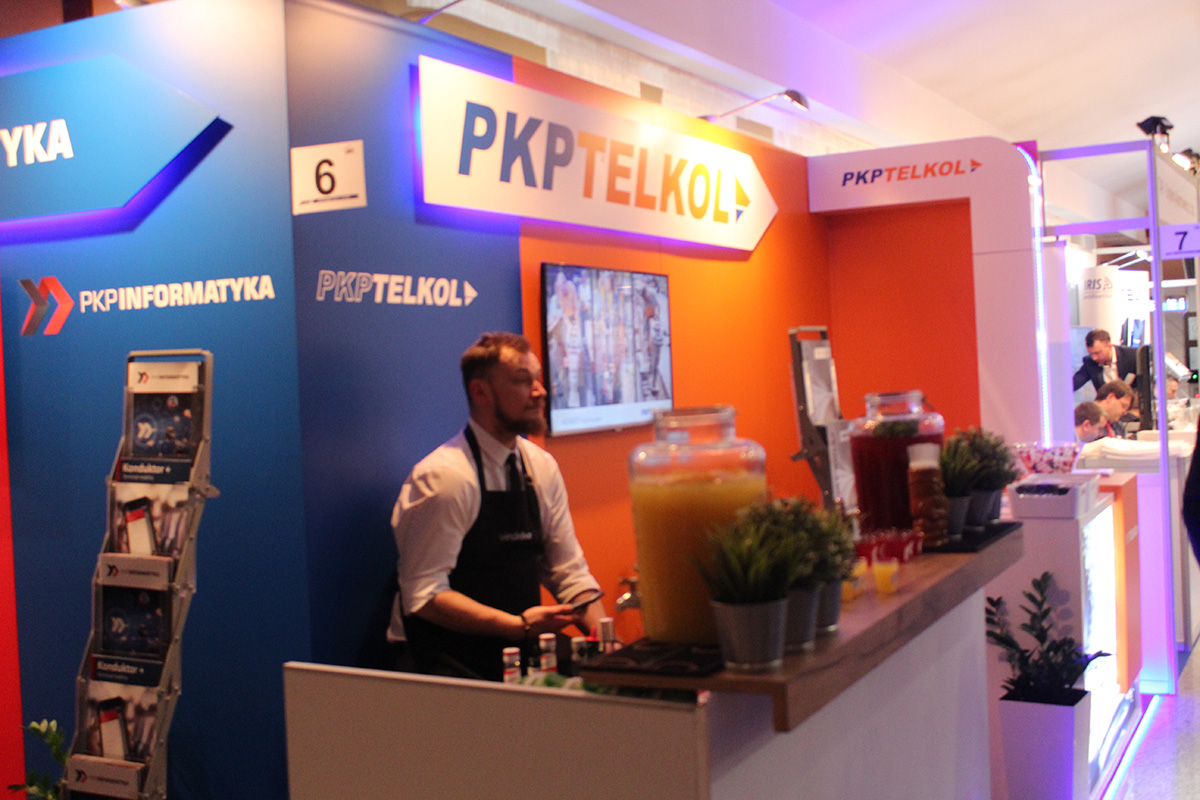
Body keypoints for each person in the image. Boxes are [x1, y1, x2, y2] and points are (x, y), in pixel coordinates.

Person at [387, 332, 607, 680]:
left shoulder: (541, 466)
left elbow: (568, 572)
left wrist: (609, 644)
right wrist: (516, 626)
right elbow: (424, 597)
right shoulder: (445, 478)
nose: (540, 391)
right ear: (481, 393)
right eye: (522, 381)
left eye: (538, 379)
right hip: (445, 657)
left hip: (517, 643)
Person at [1073, 329, 1139, 392]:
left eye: (1097, 353)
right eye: (1091, 354)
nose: (1094, 358)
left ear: (1109, 346)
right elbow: (1075, 382)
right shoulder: (1090, 362)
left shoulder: (1132, 355)